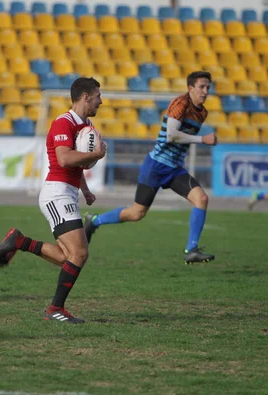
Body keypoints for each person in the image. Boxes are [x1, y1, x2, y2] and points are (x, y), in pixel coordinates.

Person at [0, 77, 106, 324]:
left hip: (67, 192)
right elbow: (64, 159)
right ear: (85, 97)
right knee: (79, 253)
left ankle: (19, 241)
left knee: (67, 256)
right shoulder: (63, 123)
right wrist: (96, 154)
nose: (101, 101)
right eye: (98, 96)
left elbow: (76, 163)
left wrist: (86, 189)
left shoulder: (86, 125)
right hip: (57, 193)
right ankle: (55, 309)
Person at [84, 71, 218, 265]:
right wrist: (202, 139)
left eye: (208, 87)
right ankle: (94, 221)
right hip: (156, 166)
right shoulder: (180, 104)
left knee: (202, 198)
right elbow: (172, 135)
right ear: (190, 88)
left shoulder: (202, 112)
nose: (205, 91)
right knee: (136, 213)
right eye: (201, 87)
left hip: (175, 169)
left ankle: (192, 249)